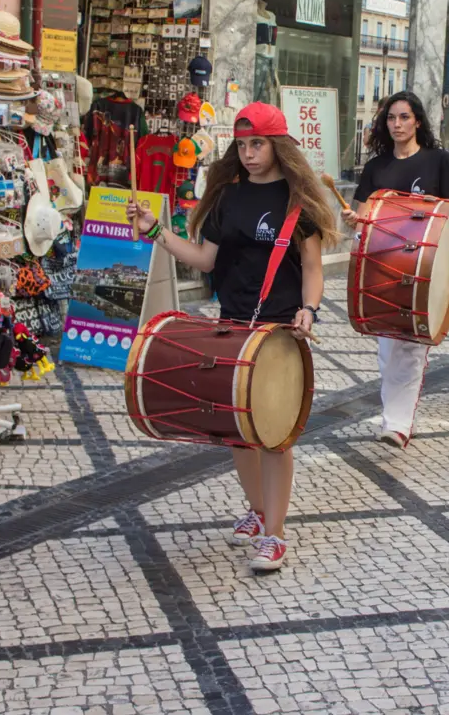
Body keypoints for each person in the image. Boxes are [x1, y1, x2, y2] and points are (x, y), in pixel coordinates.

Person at [126, 102, 340, 571]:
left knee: (274, 437)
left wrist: (309, 310)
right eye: (242, 145)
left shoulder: (296, 201)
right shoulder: (228, 197)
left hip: (281, 333)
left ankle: (276, 535)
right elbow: (204, 260)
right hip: (233, 327)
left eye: (257, 144)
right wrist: (154, 230)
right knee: (238, 432)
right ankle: (259, 512)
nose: (247, 153)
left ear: (278, 145)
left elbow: (311, 268)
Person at [346, 91, 449, 449]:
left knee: (411, 347)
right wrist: (354, 218)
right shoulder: (376, 168)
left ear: (417, 121)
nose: (397, 124)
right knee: (388, 348)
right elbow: (361, 214)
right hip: (383, 265)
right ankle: (395, 416)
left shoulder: (437, 161)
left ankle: (397, 424)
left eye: (404, 117)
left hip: (424, 267)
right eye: (391, 119)